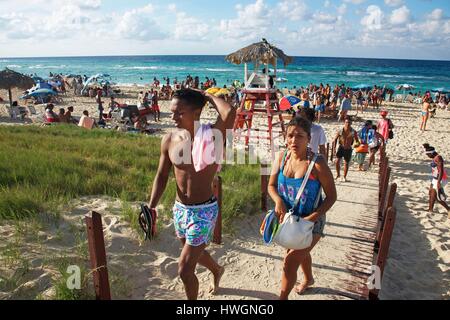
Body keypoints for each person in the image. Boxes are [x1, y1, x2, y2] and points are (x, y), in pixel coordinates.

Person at [148, 89, 236, 300]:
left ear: (196, 112)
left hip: (204, 210)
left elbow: (229, 112)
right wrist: (151, 206)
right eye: (172, 112)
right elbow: (161, 175)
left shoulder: (213, 135)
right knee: (192, 251)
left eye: (179, 113)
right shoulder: (169, 140)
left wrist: (206, 96)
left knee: (185, 269)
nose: (173, 117)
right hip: (180, 209)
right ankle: (216, 269)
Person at [268, 117, 337, 299]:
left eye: (299, 136)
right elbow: (271, 186)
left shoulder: (317, 164)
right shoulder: (282, 157)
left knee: (290, 262)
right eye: (290, 135)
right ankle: (309, 279)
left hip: (311, 222)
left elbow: (332, 197)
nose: (293, 140)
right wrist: (278, 201)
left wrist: (313, 217)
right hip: (289, 219)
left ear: (308, 138)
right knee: (298, 252)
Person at [423, 144, 449, 218]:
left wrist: (438, 182)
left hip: (440, 179)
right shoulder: (434, 157)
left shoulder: (438, 158)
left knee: (437, 197)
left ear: (431, 153)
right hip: (435, 178)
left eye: (428, 154)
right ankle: (430, 209)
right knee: (431, 193)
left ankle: (449, 209)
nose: (427, 156)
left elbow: (441, 171)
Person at [334, 116, 359, 182]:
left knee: (346, 163)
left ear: (351, 123)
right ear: (344, 122)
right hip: (341, 147)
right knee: (337, 161)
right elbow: (335, 139)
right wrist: (334, 149)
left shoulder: (353, 132)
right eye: (346, 122)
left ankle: (344, 177)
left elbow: (357, 141)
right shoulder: (340, 130)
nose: (347, 123)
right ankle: (338, 175)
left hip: (348, 148)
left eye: (349, 122)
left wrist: (357, 144)